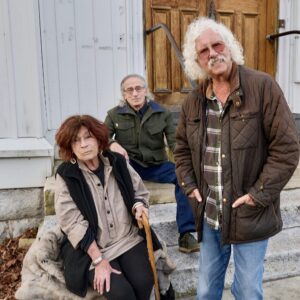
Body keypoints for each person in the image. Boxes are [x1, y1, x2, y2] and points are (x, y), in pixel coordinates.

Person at [174, 17, 300, 300]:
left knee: (247, 290)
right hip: (209, 212)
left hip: (248, 213)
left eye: (217, 44)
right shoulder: (194, 100)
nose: (213, 53)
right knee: (205, 290)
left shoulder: (262, 87)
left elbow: (287, 149)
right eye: (204, 51)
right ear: (198, 61)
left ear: (229, 46)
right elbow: (180, 148)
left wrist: (258, 195)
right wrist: (190, 186)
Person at [54, 115, 159, 299]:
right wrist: (98, 260)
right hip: (93, 249)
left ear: (98, 138)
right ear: (70, 147)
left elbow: (138, 193)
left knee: (144, 282)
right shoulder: (66, 175)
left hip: (127, 238)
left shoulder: (117, 161)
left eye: (88, 137)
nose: (84, 144)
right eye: (76, 141)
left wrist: (138, 206)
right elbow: (72, 223)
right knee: (122, 294)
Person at [104, 74, 199, 253]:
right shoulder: (114, 114)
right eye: (129, 90)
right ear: (124, 94)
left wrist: (184, 163)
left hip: (156, 166)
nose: (135, 93)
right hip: (129, 166)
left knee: (184, 178)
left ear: (146, 91)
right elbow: (102, 137)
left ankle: (186, 235)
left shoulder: (161, 113)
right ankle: (127, 236)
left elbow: (175, 142)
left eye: (139, 88)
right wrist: (112, 143)